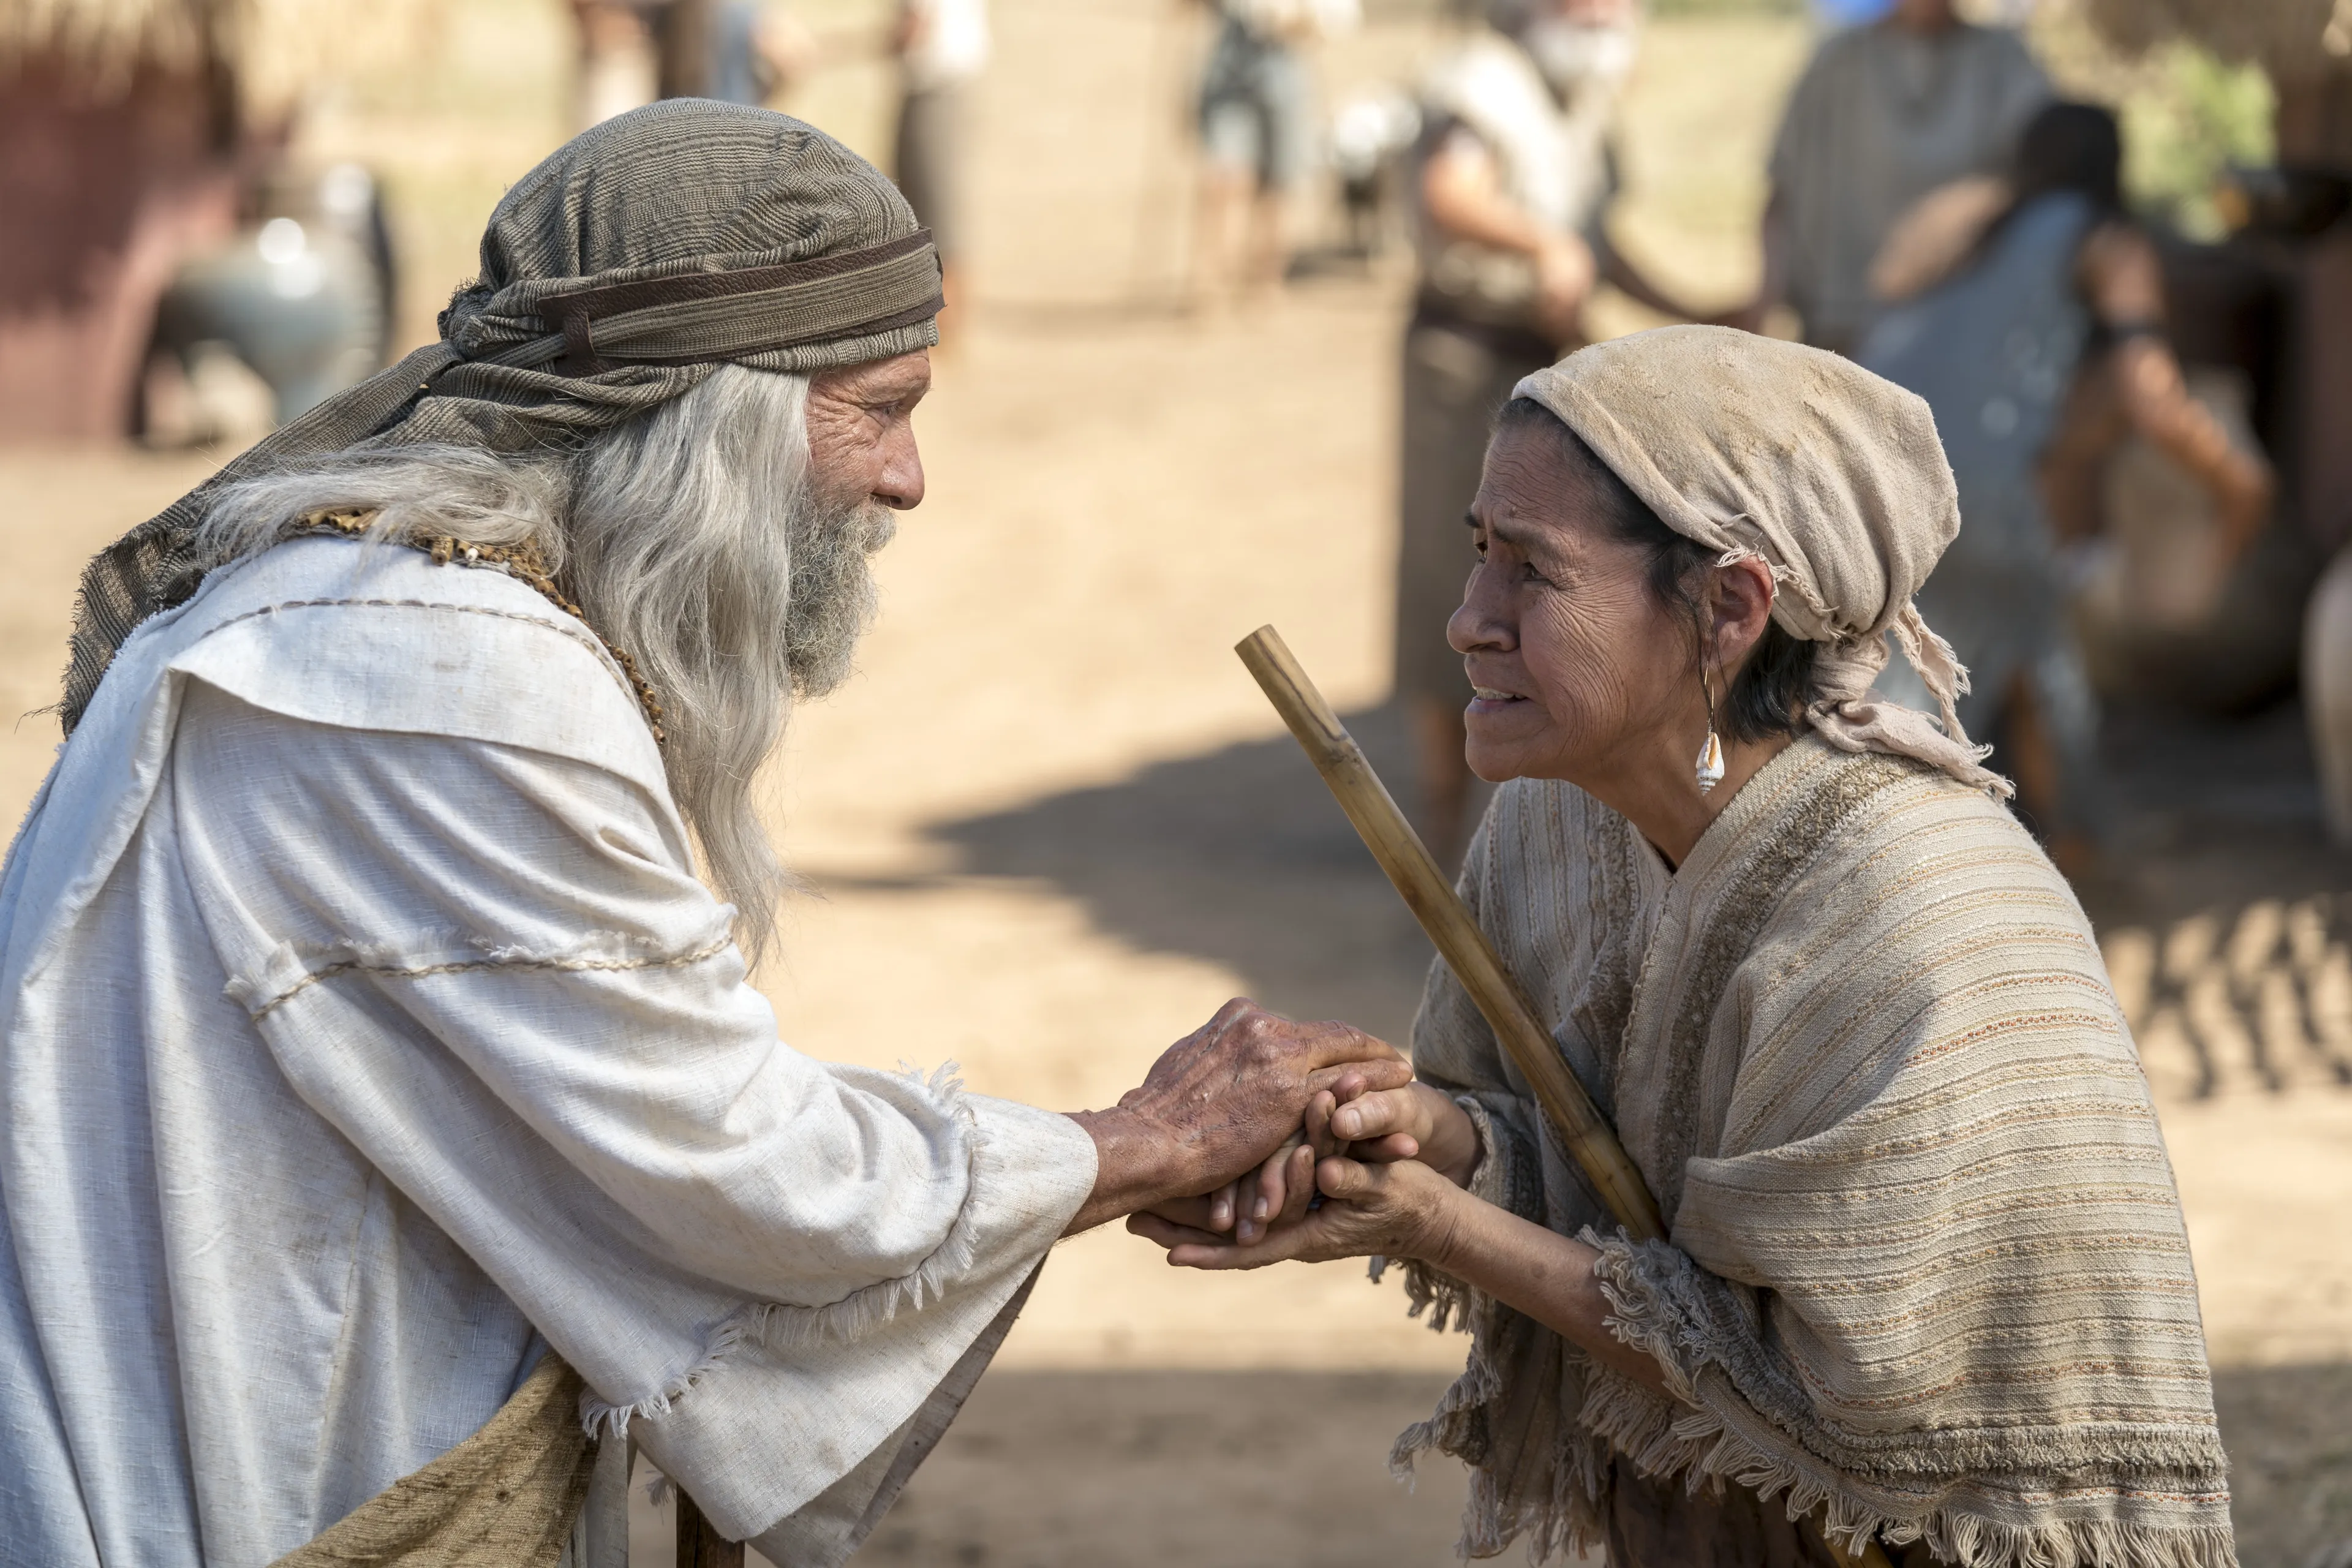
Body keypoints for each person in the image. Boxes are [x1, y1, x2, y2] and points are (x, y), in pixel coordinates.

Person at [0, 101, 1406, 1566]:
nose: (908, 479)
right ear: (706, 416)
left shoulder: (396, 614)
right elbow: (749, 1181)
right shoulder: (437, 674)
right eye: (880, 405)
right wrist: (1145, 1139)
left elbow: (610, 1147)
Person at [1134, 328, 2235, 1567]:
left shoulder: (1924, 916)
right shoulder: (1559, 821)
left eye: (1532, 574)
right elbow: (1576, 1156)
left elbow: (1846, 1406)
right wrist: (1397, 1131)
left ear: (1729, 607)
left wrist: (1432, 1221)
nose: (1466, 622)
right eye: (1477, 550)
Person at [1859, 101, 2272, 870]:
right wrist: (2241, 484)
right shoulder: (2105, 240)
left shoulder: (1971, 228)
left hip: (1871, 468)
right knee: (2041, 668)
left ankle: (2002, 839)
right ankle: (2074, 851)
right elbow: (2151, 395)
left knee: (1932, 668)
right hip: (1974, 491)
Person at [1395, 0, 1702, 870]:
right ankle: (1440, 846)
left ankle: (1510, 839)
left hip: (1545, 374)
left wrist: (1698, 313)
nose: (1600, 13)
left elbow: (1594, 249)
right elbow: (1450, 195)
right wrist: (1538, 246)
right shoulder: (1480, 81)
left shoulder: (1583, 100)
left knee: (1550, 594)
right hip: (1466, 365)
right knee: (1452, 592)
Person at [1732, 0, 2048, 353]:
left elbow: (2050, 173)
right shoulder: (1840, 61)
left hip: (1963, 328)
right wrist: (1764, 303)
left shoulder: (2003, 61)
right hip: (1844, 331)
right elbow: (1784, 192)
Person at [1186, 0, 1355, 307]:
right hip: (1231, 61)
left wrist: (1298, 19)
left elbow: (1338, 18)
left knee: (1277, 179)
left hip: (1287, 59)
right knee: (1222, 176)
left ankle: (1264, 277)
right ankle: (1207, 279)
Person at [892, 0, 990, 341]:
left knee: (932, 208)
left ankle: (944, 325)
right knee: (924, 205)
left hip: (936, 83)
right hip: (932, 82)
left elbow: (914, 27)